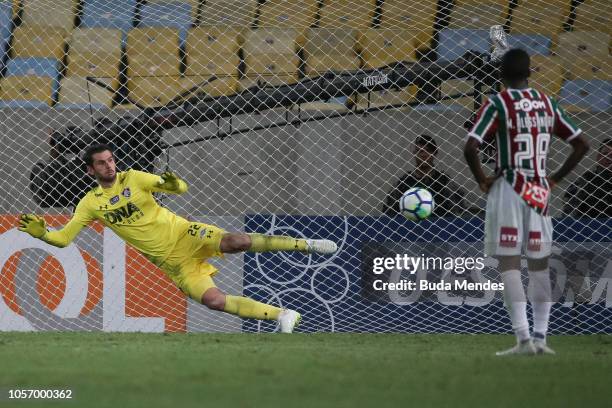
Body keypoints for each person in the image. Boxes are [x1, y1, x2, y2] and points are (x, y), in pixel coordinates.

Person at [18, 144, 338, 333]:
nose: (109, 165)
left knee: (235, 241)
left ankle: (306, 245)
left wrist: (173, 184)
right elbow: (63, 239)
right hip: (173, 263)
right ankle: (283, 315)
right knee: (213, 301)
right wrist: (42, 233)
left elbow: (179, 189)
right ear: (91, 170)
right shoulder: (90, 203)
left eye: (111, 159)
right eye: (101, 163)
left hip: (186, 233)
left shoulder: (137, 178)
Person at [463, 48, 589, 355]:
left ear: (500, 76)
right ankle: (542, 338)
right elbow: (582, 144)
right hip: (538, 188)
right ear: (530, 74)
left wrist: (482, 179)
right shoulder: (549, 103)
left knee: (508, 263)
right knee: (539, 266)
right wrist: (555, 178)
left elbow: (470, 146)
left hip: (507, 185)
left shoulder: (496, 103)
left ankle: (522, 339)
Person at [382, 134, 466, 217]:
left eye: (427, 151)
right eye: (419, 151)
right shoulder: (403, 183)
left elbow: (458, 214)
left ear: (434, 153)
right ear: (414, 153)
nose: (423, 155)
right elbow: (389, 214)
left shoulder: (445, 182)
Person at [563, 138, 612, 218]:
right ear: (598, 157)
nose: (608, 158)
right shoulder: (587, 179)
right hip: (588, 226)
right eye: (605, 154)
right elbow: (568, 203)